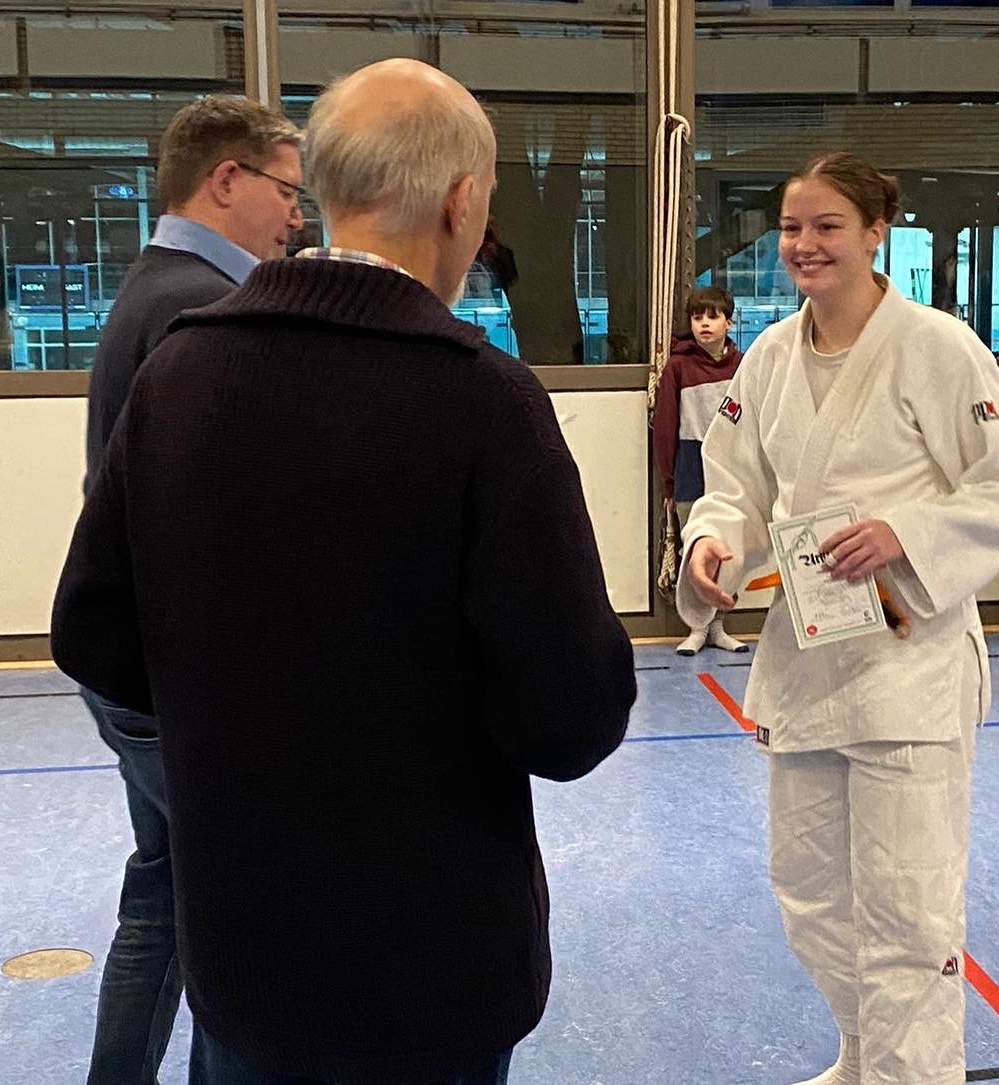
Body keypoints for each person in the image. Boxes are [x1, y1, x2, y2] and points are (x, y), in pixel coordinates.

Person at [51, 58, 635, 1085]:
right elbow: (571, 716)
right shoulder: (484, 403)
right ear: (461, 201)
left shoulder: (181, 372)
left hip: (245, 948)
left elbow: (93, 634)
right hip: (425, 968)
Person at [680, 153, 999, 1085]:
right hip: (808, 653)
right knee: (810, 893)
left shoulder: (938, 346)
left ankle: (913, 1074)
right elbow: (737, 489)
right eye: (793, 228)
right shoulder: (767, 356)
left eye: (828, 226)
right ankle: (863, 1052)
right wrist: (713, 544)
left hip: (908, 659)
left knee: (907, 911)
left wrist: (907, 533)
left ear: (877, 231)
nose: (805, 244)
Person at [75, 93, 303, 1085]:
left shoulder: (152, 285)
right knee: (243, 902)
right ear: (227, 180)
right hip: (175, 682)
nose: (297, 216)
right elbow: (213, 528)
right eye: (288, 192)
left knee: (167, 894)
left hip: (133, 666)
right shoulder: (195, 308)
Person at [652, 284, 748, 654]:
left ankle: (719, 626)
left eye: (713, 316)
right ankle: (695, 626)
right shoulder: (678, 367)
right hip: (690, 465)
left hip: (729, 469)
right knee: (696, 545)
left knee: (727, 549)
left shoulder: (743, 367)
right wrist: (669, 478)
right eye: (697, 317)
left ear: (728, 321)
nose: (704, 324)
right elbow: (665, 426)